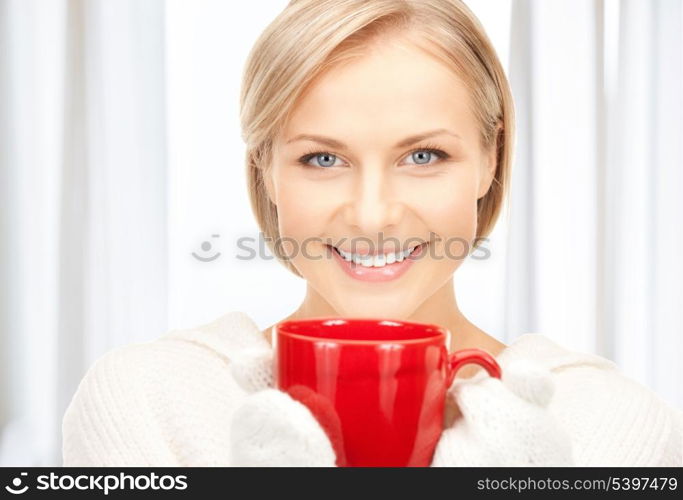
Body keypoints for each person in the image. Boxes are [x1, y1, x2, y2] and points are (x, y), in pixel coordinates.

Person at [62, 0, 682, 466]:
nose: (372, 215)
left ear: (491, 159)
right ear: (267, 172)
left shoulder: (609, 424)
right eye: (322, 159)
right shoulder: (148, 399)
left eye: (423, 156)